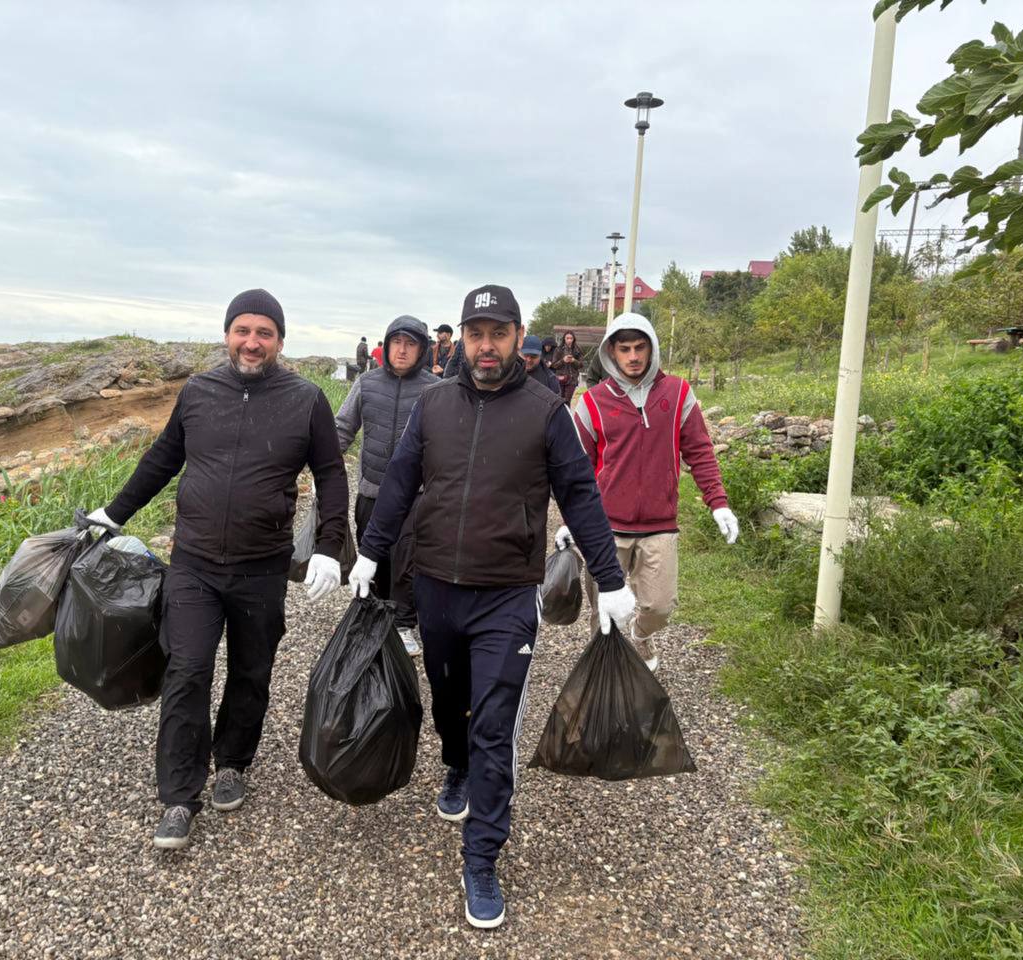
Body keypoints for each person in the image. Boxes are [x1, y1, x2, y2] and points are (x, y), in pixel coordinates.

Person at [350, 284, 633, 930]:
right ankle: (454, 764)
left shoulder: (545, 412)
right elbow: (399, 481)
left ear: (517, 337)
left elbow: (581, 497)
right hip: (436, 591)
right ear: (464, 339)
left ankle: (481, 858)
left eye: (497, 334)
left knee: (495, 725)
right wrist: (370, 552)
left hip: (507, 595)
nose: (484, 346)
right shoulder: (434, 405)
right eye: (475, 334)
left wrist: (609, 579)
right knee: (451, 708)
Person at [85, 289, 349, 851]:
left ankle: (232, 761)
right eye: (242, 330)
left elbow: (330, 474)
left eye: (265, 333)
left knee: (252, 671)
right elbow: (162, 458)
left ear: (280, 340)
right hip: (195, 564)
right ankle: (179, 796)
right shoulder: (199, 391)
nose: (252, 342)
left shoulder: (305, 400)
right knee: (187, 671)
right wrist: (114, 513)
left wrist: (330, 545)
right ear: (227, 333)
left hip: (262, 567)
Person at [558, 314, 738, 672]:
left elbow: (699, 451)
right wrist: (570, 522)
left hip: (659, 525)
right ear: (612, 352)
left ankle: (641, 636)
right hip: (605, 527)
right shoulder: (592, 402)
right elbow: (577, 471)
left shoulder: (678, 394)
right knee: (604, 612)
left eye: (640, 347)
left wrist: (717, 503)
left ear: (652, 348)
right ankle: (604, 676)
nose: (633, 356)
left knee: (659, 606)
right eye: (624, 349)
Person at [334, 315, 437, 656]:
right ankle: (371, 616)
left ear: (422, 350)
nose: (402, 350)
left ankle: (405, 623)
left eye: (411, 344)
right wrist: (323, 465)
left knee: (408, 559)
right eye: (397, 342)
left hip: (416, 495)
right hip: (371, 489)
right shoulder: (366, 383)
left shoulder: (434, 391)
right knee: (371, 554)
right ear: (387, 344)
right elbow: (343, 428)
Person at [550, 331, 582, 405]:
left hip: (572, 379)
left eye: (571, 338)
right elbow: (554, 365)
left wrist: (574, 360)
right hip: (560, 378)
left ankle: (567, 415)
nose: (569, 340)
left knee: (567, 401)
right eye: (567, 338)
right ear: (564, 339)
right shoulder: (558, 349)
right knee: (559, 399)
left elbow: (581, 365)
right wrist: (563, 360)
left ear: (574, 339)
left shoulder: (577, 350)